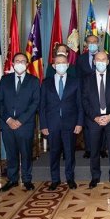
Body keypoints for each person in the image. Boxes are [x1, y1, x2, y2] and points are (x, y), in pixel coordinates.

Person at [0, 53, 40, 192]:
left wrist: (20, 120)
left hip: (24, 125)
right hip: (7, 124)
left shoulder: (33, 80)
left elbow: (35, 103)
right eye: (17, 61)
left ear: (27, 64)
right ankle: (13, 179)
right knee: (11, 153)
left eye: (23, 61)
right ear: (13, 63)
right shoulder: (5, 80)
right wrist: (8, 119)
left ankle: (27, 179)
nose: (20, 63)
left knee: (26, 153)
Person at [39, 54, 83, 190]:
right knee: (54, 153)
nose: (61, 65)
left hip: (70, 124)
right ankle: (55, 179)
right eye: (58, 63)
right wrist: (44, 125)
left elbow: (80, 104)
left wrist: (79, 123)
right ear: (53, 66)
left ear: (68, 65)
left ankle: (70, 178)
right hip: (52, 124)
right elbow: (42, 106)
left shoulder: (75, 81)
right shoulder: (46, 83)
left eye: (63, 62)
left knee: (69, 153)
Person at [82, 51, 110, 188]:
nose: (100, 62)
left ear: (107, 62)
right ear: (94, 62)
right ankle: (95, 177)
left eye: (103, 59)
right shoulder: (87, 79)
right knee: (94, 150)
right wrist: (95, 117)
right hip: (94, 120)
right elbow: (85, 101)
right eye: (97, 59)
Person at [76, 35, 99, 159]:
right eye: (90, 42)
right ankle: (89, 149)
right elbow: (78, 78)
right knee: (88, 123)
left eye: (94, 42)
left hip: (102, 94)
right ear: (86, 44)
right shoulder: (80, 59)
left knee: (102, 122)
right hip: (86, 95)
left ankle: (102, 149)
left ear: (98, 43)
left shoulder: (105, 57)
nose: (92, 44)